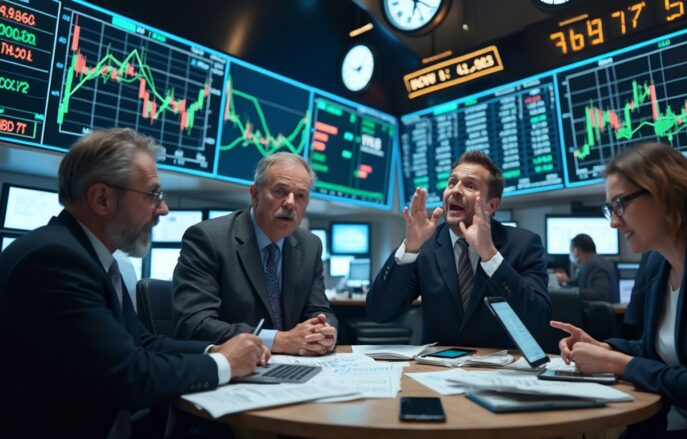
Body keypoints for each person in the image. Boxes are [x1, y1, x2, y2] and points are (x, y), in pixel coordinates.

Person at [0, 128, 270, 438]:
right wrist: (225, 363)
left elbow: (144, 343)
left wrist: (214, 348)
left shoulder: (91, 258)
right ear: (103, 198)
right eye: (152, 194)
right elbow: (130, 377)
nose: (163, 209)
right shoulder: (55, 262)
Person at [550, 142, 687, 436]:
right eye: (610, 209)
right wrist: (605, 347)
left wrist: (622, 364)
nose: (614, 221)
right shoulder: (656, 261)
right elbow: (654, 350)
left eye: (620, 204)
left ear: (665, 191)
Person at [367, 151, 550, 347]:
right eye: (452, 183)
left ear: (492, 204)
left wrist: (490, 255)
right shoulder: (425, 247)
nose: (455, 190)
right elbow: (379, 312)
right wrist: (410, 248)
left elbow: (537, 320)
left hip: (499, 372)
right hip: (434, 371)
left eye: (470, 186)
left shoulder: (523, 244)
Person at [173, 152, 337, 355]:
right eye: (280, 191)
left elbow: (320, 312)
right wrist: (277, 340)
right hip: (233, 371)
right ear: (255, 194)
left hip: (294, 366)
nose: (290, 203)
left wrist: (324, 332)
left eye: (301, 196)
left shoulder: (310, 246)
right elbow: (194, 324)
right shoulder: (208, 239)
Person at [555, 233, 619, 302]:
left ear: (576, 251)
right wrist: (567, 281)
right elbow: (581, 283)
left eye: (570, 250)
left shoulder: (595, 265)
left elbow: (601, 294)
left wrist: (570, 293)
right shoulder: (593, 263)